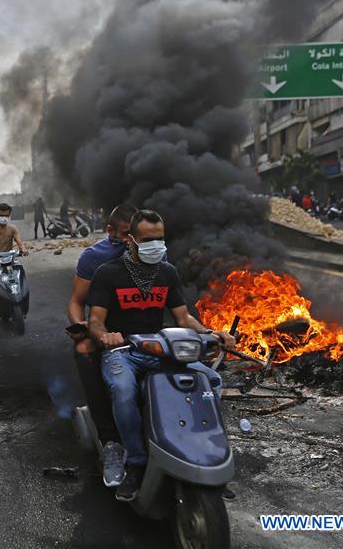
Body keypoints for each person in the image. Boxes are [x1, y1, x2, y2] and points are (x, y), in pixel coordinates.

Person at [87, 210, 235, 499]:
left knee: (211, 380)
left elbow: (183, 318)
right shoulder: (109, 273)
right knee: (123, 389)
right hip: (123, 351)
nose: (155, 245)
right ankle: (136, 462)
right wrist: (105, 335)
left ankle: (203, 453)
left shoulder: (167, 272)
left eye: (160, 239)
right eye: (147, 240)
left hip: (160, 348)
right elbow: (95, 320)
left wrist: (210, 333)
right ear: (131, 240)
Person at [66, 204, 138, 486]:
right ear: (111, 231)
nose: (132, 241)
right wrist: (81, 326)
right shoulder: (95, 258)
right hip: (105, 331)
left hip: (144, 331)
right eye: (126, 234)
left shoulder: (155, 255)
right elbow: (76, 301)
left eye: (137, 234)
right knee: (84, 349)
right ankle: (110, 441)